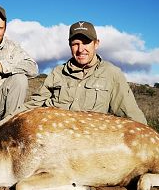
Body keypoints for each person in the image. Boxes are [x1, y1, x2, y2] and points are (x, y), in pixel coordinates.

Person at [17, 20, 147, 124]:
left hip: (90, 144)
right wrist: (3, 124)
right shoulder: (57, 72)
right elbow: (33, 104)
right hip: (56, 138)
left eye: (86, 42)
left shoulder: (112, 73)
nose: (81, 49)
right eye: (76, 43)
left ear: (96, 44)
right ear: (70, 45)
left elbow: (132, 115)